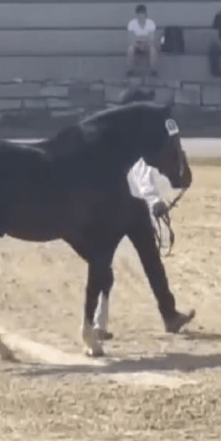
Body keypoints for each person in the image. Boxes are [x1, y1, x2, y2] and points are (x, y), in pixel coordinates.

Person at [93, 88, 170, 340]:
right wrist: (155, 201)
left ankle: (169, 314)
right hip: (127, 210)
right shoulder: (133, 144)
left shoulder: (108, 138)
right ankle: (97, 323)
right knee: (147, 264)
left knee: (148, 263)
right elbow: (142, 176)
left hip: (117, 209)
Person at [126, 4, 159, 77]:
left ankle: (154, 70)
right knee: (130, 49)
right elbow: (131, 38)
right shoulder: (132, 23)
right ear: (136, 14)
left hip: (147, 44)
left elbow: (151, 39)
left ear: (145, 14)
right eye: (139, 13)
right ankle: (130, 70)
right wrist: (138, 44)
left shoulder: (150, 23)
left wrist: (144, 44)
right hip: (136, 44)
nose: (141, 15)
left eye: (142, 13)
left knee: (153, 49)